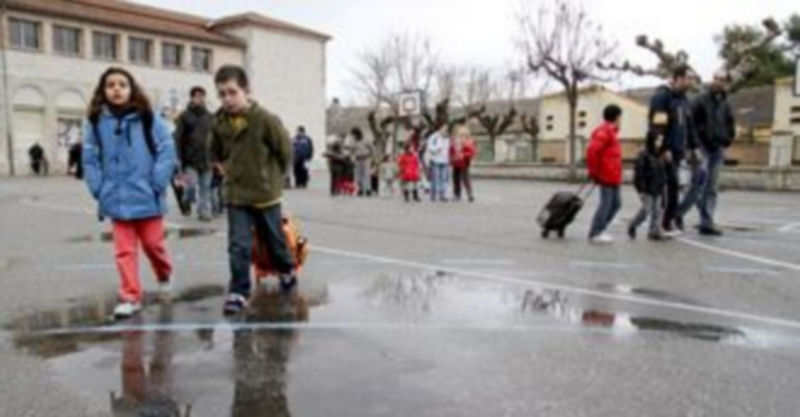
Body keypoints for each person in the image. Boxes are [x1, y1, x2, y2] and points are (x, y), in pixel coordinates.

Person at [82, 67, 176, 319]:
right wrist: (98, 188)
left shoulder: (148, 117)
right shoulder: (95, 122)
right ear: (103, 90)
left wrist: (157, 181)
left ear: (131, 89)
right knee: (124, 251)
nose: (116, 89)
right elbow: (89, 158)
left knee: (153, 245)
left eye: (122, 84)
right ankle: (130, 296)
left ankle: (164, 274)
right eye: (110, 84)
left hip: (147, 196)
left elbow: (167, 149)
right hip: (116, 197)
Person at [210, 65, 297, 315]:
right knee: (238, 244)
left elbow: (284, 151)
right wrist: (222, 167)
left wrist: (274, 177)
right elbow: (214, 151)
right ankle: (239, 291)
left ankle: (286, 268)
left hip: (265, 194)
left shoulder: (264, 119)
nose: (227, 99)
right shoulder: (219, 122)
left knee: (274, 239)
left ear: (246, 91)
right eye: (222, 94)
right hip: (237, 195)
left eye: (232, 92)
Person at [677, 70, 735, 236]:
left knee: (712, 187)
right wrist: (693, 145)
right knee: (697, 186)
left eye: (722, 79)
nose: (718, 82)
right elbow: (690, 123)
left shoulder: (725, 103)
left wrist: (728, 138)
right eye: (716, 78)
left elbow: (730, 123)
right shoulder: (700, 100)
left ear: (726, 83)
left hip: (717, 149)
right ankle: (677, 214)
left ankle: (706, 222)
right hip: (701, 148)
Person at [647, 65, 697, 236]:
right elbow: (657, 125)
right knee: (666, 189)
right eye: (688, 78)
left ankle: (667, 223)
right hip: (665, 152)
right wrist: (662, 149)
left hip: (678, 151)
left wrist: (693, 146)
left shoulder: (683, 100)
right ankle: (660, 225)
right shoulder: (662, 97)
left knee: (674, 188)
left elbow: (688, 126)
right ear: (678, 78)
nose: (691, 82)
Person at [174, 86, 214, 221]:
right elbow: (178, 137)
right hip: (190, 159)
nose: (199, 98)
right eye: (196, 96)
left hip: (207, 159)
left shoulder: (210, 117)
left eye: (201, 96)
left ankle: (204, 212)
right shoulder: (184, 116)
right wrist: (178, 156)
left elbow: (215, 137)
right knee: (190, 185)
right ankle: (186, 198)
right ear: (192, 98)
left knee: (205, 187)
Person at [586, 104, 623, 244]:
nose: (621, 120)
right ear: (617, 117)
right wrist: (594, 172)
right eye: (620, 117)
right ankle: (595, 232)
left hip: (613, 175)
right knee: (606, 204)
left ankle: (600, 230)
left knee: (616, 204)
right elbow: (592, 151)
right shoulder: (604, 132)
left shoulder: (612, 132)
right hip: (606, 174)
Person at [628, 131, 668, 241]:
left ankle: (654, 231)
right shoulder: (643, 155)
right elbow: (639, 174)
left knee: (657, 210)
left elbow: (662, 172)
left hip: (658, 187)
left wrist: (663, 184)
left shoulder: (660, 154)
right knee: (646, 210)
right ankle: (633, 224)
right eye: (657, 140)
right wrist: (641, 189)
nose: (660, 143)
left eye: (661, 140)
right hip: (647, 188)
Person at [450, 124, 477, 202]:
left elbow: (472, 152)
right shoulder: (455, 141)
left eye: (463, 135)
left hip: (464, 163)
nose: (461, 136)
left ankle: (470, 194)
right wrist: (452, 158)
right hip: (456, 162)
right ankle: (457, 195)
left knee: (466, 179)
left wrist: (464, 155)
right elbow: (451, 151)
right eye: (460, 135)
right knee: (456, 179)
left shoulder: (469, 142)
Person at [426, 123, 451, 202]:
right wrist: (436, 149)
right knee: (435, 178)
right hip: (435, 160)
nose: (445, 129)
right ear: (440, 128)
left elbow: (448, 148)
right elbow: (429, 147)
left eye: (446, 128)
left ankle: (442, 195)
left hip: (445, 160)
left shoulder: (447, 137)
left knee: (444, 179)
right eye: (444, 128)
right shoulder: (434, 137)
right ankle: (433, 195)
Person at [351, 127, 373, 196]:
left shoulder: (366, 140)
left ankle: (368, 189)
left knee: (366, 175)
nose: (353, 136)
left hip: (365, 159)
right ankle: (360, 189)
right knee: (358, 175)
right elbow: (352, 151)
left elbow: (371, 149)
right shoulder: (354, 142)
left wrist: (369, 155)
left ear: (358, 134)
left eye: (354, 134)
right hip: (358, 159)